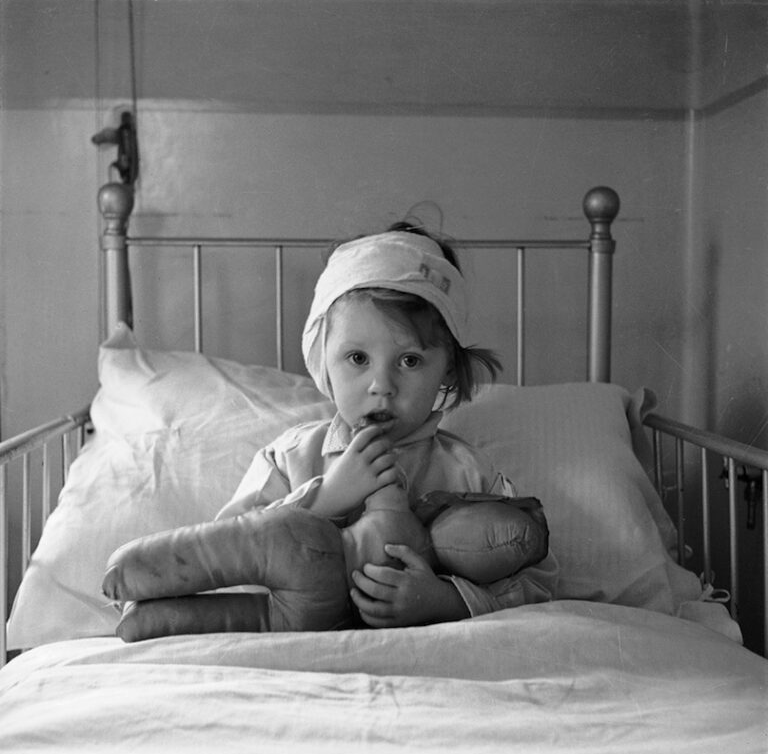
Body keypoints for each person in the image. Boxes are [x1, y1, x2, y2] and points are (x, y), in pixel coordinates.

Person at [213, 222, 558, 628]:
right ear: (322, 359)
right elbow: (223, 562)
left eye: (410, 360)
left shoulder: (467, 473)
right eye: (357, 358)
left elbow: (539, 581)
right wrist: (323, 501)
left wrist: (448, 601)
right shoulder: (289, 460)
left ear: (447, 369)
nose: (382, 386)